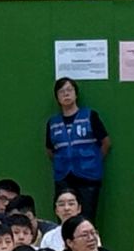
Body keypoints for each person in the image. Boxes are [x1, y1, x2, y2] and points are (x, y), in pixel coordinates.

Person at [46, 78, 111, 221]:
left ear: (76, 94)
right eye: (61, 91)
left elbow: (106, 143)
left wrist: (94, 161)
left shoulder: (90, 116)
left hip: (88, 177)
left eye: (69, 90)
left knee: (86, 220)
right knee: (65, 220)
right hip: (63, 177)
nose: (66, 94)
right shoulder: (53, 123)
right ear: (57, 97)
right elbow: (50, 150)